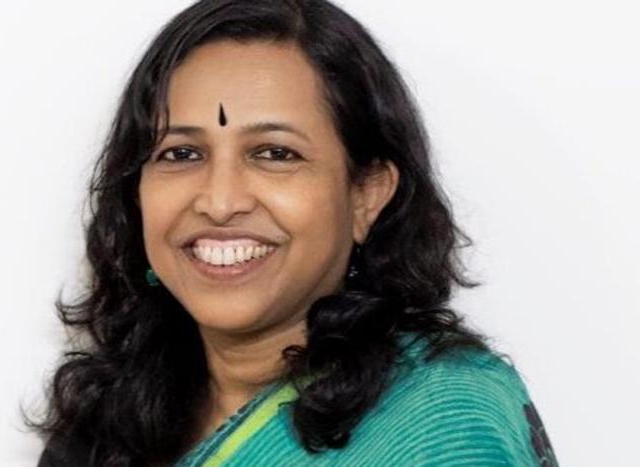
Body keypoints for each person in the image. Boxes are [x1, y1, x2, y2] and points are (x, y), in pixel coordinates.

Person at [27, 0, 559, 466]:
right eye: (181, 154)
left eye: (275, 154)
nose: (219, 201)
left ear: (366, 194)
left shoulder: (440, 422)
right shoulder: (101, 429)